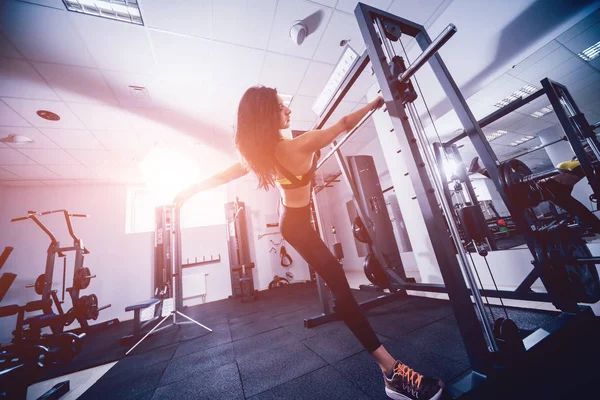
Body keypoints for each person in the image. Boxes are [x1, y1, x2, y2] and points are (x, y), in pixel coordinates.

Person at [175, 85, 444, 400]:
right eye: (280, 106)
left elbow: (221, 177)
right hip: (297, 225)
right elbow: (343, 125)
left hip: (292, 218)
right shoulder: (298, 145)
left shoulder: (259, 155)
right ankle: (391, 372)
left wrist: (189, 190)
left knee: (337, 281)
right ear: (266, 115)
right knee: (340, 285)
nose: (288, 110)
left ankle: (389, 370)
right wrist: (377, 99)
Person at [468, 156, 600, 233]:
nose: (587, 149)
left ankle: (480, 170)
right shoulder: (579, 159)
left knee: (511, 185)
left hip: (553, 189)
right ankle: (479, 170)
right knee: (509, 183)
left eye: (589, 149)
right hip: (554, 188)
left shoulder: (590, 163)